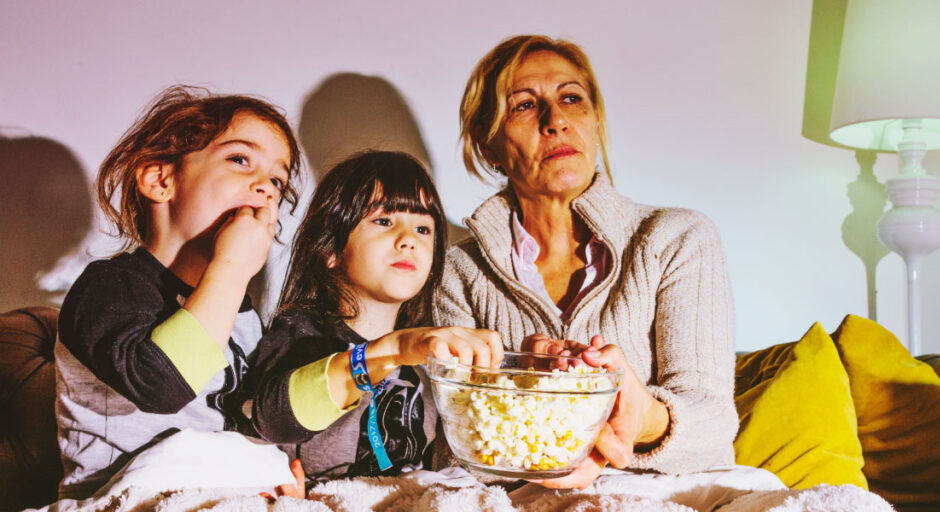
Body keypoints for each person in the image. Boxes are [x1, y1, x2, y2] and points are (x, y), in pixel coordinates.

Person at [433, 35, 738, 489]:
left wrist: (641, 417)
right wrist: (527, 397)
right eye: (522, 106)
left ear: (594, 121)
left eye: (571, 99)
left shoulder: (678, 238)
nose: (555, 121)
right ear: (489, 144)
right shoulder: (458, 272)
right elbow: (452, 446)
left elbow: (714, 431)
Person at [54, 85, 301, 499]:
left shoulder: (239, 309)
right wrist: (233, 268)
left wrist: (275, 476)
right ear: (160, 179)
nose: (267, 188)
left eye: (278, 179)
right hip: (126, 498)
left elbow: (245, 417)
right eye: (240, 159)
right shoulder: (107, 286)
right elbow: (159, 385)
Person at [247, 150, 503, 485]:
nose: (409, 239)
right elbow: (274, 420)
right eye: (384, 221)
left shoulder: (430, 359)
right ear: (330, 250)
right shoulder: (301, 332)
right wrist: (394, 348)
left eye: (424, 229)